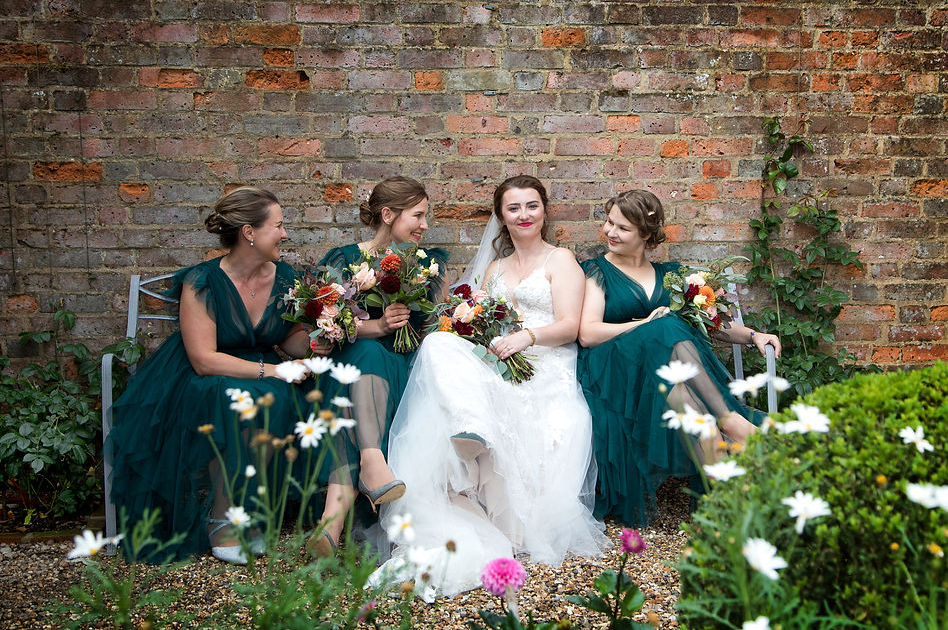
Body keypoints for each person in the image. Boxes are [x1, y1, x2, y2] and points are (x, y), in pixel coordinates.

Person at [370, 175, 608, 600]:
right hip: (496, 362)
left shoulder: (561, 261)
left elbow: (570, 326)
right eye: (513, 208)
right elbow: (476, 318)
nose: (523, 215)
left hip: (543, 367)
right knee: (440, 341)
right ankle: (472, 430)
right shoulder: (494, 269)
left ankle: (477, 449)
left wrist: (525, 338)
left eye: (531, 206)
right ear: (501, 215)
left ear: (545, 210)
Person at [109, 186, 312, 565]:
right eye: (278, 226)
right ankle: (221, 517)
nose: (284, 234)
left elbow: (291, 338)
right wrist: (274, 369)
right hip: (207, 373)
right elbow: (203, 358)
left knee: (281, 399)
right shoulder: (201, 280)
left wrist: (319, 341)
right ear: (249, 233)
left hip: (264, 369)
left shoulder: (286, 278)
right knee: (234, 401)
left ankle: (248, 511)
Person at [576, 189, 781, 525]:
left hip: (663, 379)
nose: (610, 232)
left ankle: (729, 511)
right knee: (669, 325)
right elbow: (588, 333)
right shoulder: (596, 271)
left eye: (622, 228)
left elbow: (712, 323)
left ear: (646, 234)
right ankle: (732, 420)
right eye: (609, 222)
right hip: (613, 371)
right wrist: (645, 324)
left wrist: (754, 335)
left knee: (688, 402)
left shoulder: (672, 275)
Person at [309, 176, 448, 557]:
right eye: (417, 216)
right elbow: (326, 323)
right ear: (388, 214)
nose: (424, 225)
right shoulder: (343, 260)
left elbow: (439, 324)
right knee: (362, 362)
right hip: (353, 360)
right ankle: (373, 462)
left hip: (403, 364)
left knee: (356, 386)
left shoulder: (429, 265)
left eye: (426, 216)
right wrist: (378, 326)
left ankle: (330, 524)